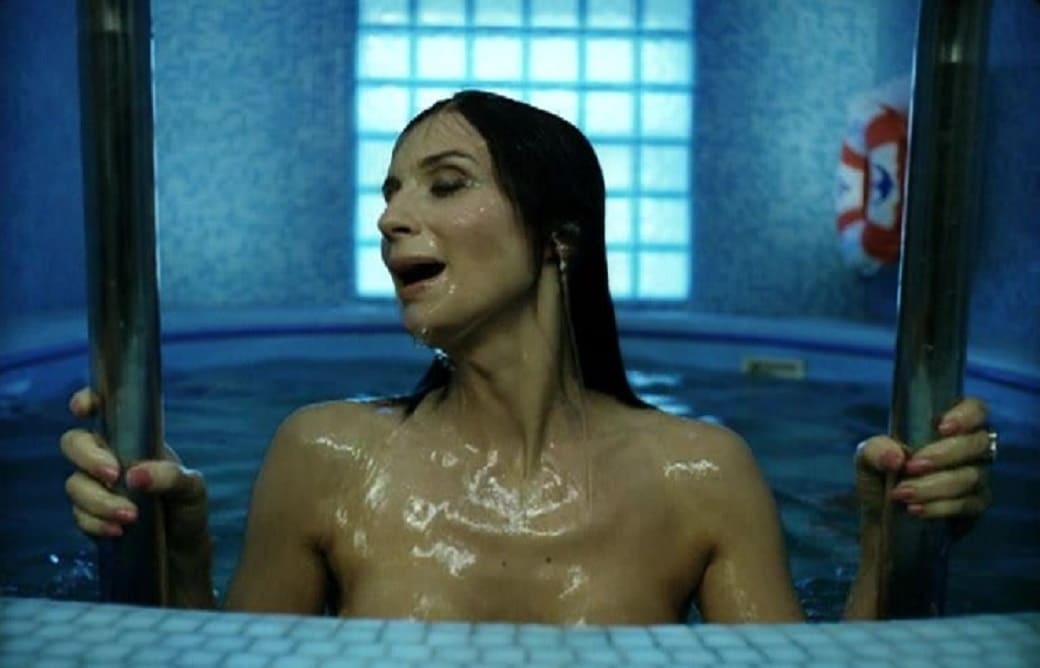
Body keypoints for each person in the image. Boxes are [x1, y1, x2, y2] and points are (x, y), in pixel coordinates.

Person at [60, 91, 994, 624]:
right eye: (390, 194)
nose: (390, 218)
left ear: (558, 238)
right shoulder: (327, 459)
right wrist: (177, 564)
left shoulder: (701, 478)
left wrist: (890, 551)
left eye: (444, 184)